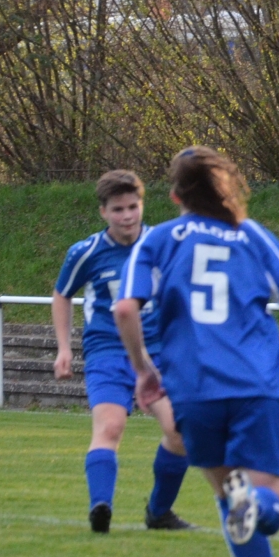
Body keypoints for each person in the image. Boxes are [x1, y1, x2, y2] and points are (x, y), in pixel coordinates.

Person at [115, 148, 279, 557]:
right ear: (225, 189)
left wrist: (143, 369)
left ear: (174, 196)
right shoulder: (251, 234)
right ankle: (258, 506)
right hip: (257, 385)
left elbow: (124, 309)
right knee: (268, 507)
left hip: (193, 391)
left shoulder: (158, 239)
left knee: (230, 501)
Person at [52, 170, 196, 534]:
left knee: (179, 431)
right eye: (118, 209)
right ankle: (100, 506)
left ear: (142, 205)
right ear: (103, 212)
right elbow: (62, 294)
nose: (127, 216)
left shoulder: (164, 243)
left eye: (133, 207)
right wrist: (64, 347)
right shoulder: (86, 252)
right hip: (107, 351)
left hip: (159, 352)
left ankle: (159, 512)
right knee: (110, 426)